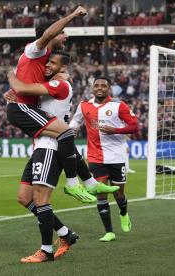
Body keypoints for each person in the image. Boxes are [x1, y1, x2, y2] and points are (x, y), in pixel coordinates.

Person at [8, 52, 119, 263]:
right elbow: (30, 96)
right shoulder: (52, 83)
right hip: (39, 146)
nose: (47, 66)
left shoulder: (60, 84)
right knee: (24, 197)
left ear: (63, 70)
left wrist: (11, 77)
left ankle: (46, 250)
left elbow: (24, 87)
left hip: (50, 147)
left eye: (52, 63)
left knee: (41, 200)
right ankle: (65, 233)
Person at [5, 6, 94, 203]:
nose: (65, 36)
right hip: (22, 108)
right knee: (66, 133)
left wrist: (14, 82)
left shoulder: (45, 58)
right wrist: (72, 15)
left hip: (26, 107)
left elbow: (24, 72)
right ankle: (76, 183)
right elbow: (46, 36)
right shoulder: (36, 49)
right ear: (51, 33)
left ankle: (65, 231)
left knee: (25, 199)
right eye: (62, 33)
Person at [69, 76, 138, 242]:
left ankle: (123, 213)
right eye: (97, 85)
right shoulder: (84, 105)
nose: (100, 88)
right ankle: (109, 232)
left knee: (119, 193)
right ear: (93, 88)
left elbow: (134, 126)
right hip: (95, 156)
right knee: (100, 193)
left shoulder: (118, 105)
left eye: (103, 86)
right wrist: (72, 130)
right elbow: (76, 121)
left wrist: (114, 130)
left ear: (109, 89)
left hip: (117, 156)